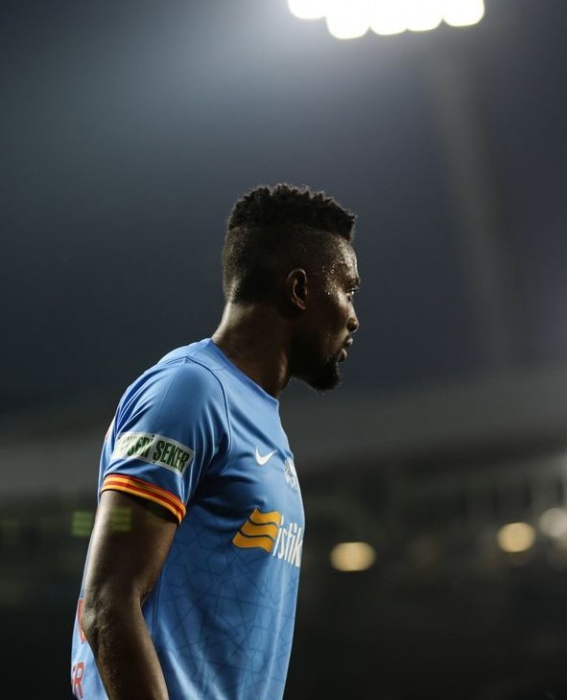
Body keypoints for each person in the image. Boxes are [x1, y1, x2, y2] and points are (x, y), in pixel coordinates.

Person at [70, 183, 360, 699]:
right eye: (348, 290)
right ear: (299, 290)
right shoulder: (190, 392)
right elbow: (108, 601)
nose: (354, 317)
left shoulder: (261, 420)